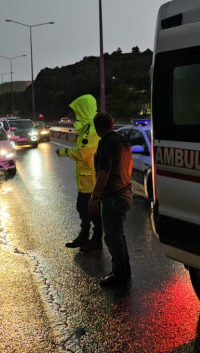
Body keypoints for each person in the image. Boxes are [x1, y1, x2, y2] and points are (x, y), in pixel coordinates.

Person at [88, 112, 133, 286]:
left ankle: (119, 275)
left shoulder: (106, 144)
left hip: (113, 196)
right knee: (119, 235)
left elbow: (104, 173)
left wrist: (95, 197)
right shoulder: (123, 140)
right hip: (125, 192)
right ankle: (124, 271)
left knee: (113, 237)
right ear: (112, 124)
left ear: (98, 128)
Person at [55, 94, 101, 252]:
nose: (75, 114)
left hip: (91, 179)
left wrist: (63, 151)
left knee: (89, 209)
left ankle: (94, 240)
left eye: (77, 110)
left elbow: (84, 153)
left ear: (83, 109)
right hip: (87, 177)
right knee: (84, 208)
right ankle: (85, 237)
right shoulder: (88, 127)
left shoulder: (92, 129)